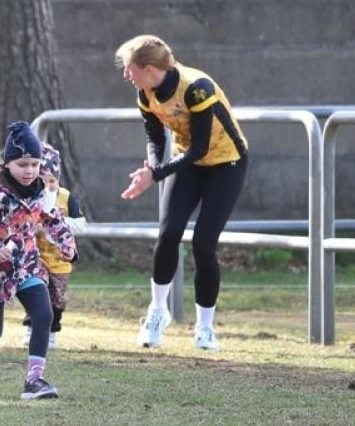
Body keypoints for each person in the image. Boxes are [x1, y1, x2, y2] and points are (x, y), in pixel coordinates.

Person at [116, 34, 249, 351]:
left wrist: (156, 175)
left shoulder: (195, 87)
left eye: (129, 68)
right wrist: (150, 168)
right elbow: (155, 138)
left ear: (148, 68)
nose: (125, 75)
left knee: (204, 244)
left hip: (225, 163)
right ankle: (157, 312)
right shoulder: (146, 92)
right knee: (168, 233)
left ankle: (205, 327)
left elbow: (200, 147)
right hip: (187, 161)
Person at [0, 120, 77, 400]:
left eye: (34, 164)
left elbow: (52, 218)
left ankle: (34, 381)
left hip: (27, 264)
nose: (29, 171)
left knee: (44, 314)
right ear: (9, 164)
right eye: (23, 164)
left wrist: (67, 245)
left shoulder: (40, 191)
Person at [23, 143, 87, 348]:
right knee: (35, 293)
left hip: (60, 260)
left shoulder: (66, 197)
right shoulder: (29, 199)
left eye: (52, 180)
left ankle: (52, 331)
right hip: (35, 259)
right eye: (43, 181)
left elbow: (81, 225)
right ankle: (31, 328)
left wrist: (57, 223)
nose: (48, 185)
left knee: (57, 299)